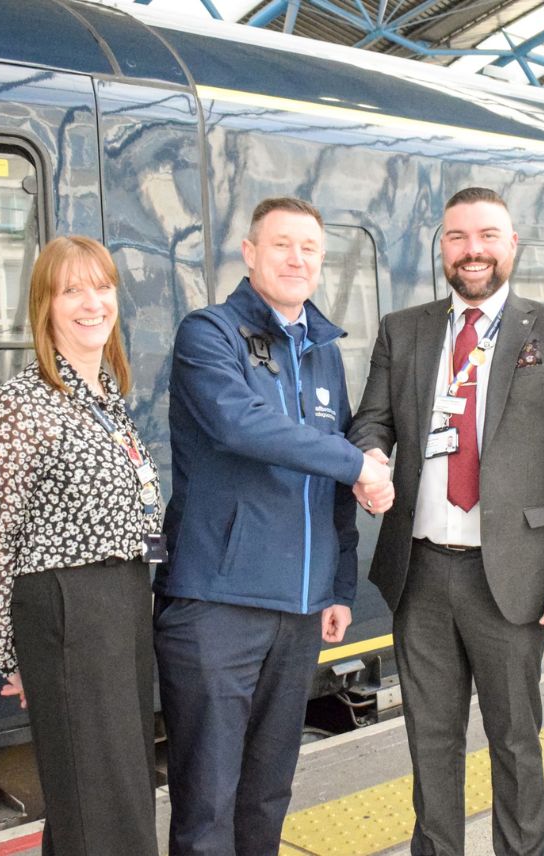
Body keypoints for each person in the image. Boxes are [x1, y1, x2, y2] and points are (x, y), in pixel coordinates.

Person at [349, 186, 544, 855]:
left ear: (512, 244)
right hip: (420, 573)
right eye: (458, 237)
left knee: (516, 743)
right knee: (430, 743)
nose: (473, 251)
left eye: (488, 236)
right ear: (442, 247)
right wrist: (370, 456)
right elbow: (371, 422)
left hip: (515, 576)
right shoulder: (403, 331)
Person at [156, 197, 394, 856]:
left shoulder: (322, 352)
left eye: (309, 248)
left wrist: (338, 586)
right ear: (250, 253)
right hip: (218, 605)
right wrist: (359, 465)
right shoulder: (209, 334)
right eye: (281, 244)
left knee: (267, 794)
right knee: (207, 801)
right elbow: (241, 425)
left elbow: (333, 481)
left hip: (299, 611)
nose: (296, 258)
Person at [0, 235, 161, 856]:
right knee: (101, 796)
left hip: (123, 600)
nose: (92, 303)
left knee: (109, 788)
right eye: (71, 290)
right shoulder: (18, 405)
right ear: (44, 306)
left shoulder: (107, 397)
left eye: (102, 287)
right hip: (68, 606)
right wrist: (10, 655)